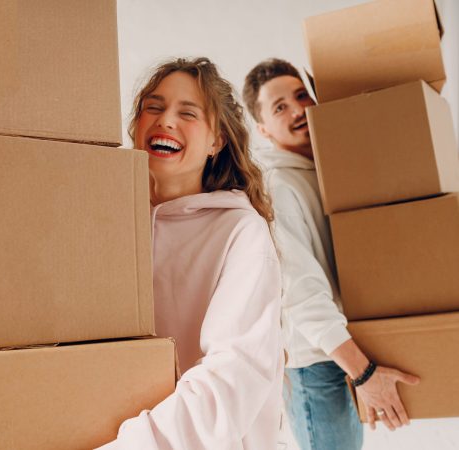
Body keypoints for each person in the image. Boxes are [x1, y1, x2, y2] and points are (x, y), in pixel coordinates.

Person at [96, 57, 285, 449]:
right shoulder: (102, 226)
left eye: (188, 113)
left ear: (217, 141)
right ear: (135, 126)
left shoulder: (241, 233)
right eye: (154, 107)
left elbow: (231, 378)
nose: (166, 120)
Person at [242, 58, 421, 450]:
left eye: (301, 96)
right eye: (279, 107)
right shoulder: (278, 186)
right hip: (316, 364)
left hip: (344, 350)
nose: (297, 110)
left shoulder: (331, 172)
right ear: (263, 130)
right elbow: (301, 293)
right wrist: (363, 374)